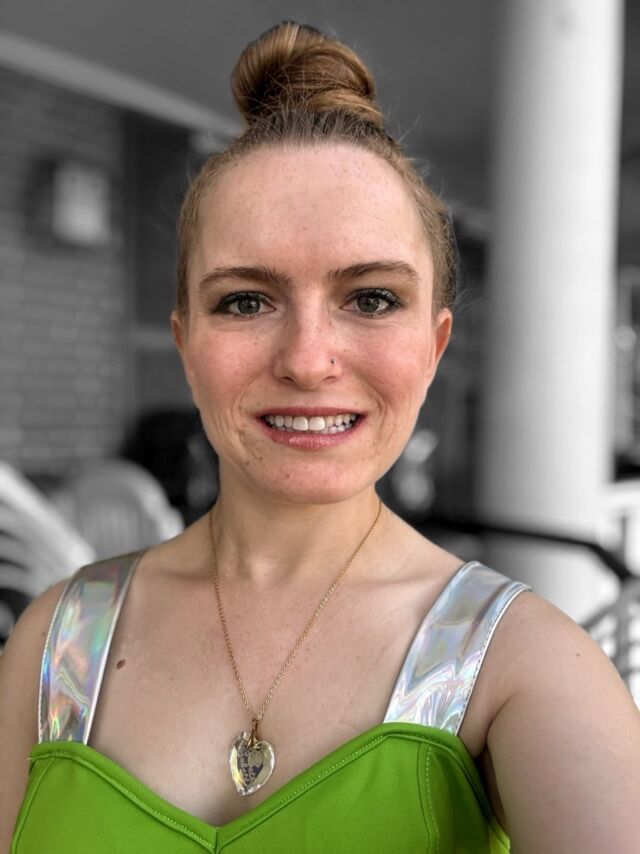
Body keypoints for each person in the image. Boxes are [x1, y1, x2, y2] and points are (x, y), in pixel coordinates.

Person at [2, 21, 639, 853]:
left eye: (371, 299)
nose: (307, 360)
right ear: (187, 344)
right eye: (245, 301)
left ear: (434, 346)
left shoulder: (525, 667)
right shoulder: (54, 646)